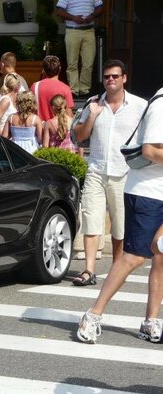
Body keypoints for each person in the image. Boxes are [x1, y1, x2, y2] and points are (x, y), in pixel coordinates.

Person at [76, 86, 163, 344]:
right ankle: (93, 315)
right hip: (148, 192)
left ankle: (150, 321)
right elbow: (149, 150)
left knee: (161, 254)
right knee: (134, 256)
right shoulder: (161, 103)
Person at [71, 59, 147, 287]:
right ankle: (89, 270)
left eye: (115, 76)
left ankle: (116, 269)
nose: (110, 80)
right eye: (106, 77)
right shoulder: (93, 104)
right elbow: (78, 136)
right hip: (96, 169)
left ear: (124, 78)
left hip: (124, 172)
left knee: (120, 226)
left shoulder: (140, 106)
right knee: (92, 220)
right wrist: (93, 115)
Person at [55, 0, 104, 98]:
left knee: (88, 63)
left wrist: (92, 16)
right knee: (72, 63)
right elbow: (58, 11)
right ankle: (73, 90)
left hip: (89, 31)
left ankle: (84, 90)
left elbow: (101, 8)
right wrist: (73, 18)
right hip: (72, 31)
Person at [30, 55, 74, 122]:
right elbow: (69, 115)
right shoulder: (65, 88)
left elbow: (30, 110)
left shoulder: (35, 86)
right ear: (60, 69)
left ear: (44, 70)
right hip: (57, 129)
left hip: (39, 128)